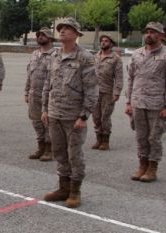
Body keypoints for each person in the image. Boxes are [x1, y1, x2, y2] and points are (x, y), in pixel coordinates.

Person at [41, 18, 98, 208]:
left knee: (74, 154)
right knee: (59, 152)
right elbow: (47, 85)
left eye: (67, 29)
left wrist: (84, 115)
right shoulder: (54, 56)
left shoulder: (85, 57)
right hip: (55, 113)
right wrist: (44, 109)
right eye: (61, 29)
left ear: (76, 34)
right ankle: (63, 187)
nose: (63, 31)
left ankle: (75, 191)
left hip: (74, 117)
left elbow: (91, 89)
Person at [126, 22, 166, 183]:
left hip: (157, 104)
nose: (149, 35)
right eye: (147, 32)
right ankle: (142, 165)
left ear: (162, 35)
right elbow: (131, 78)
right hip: (138, 102)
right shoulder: (137, 54)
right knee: (141, 137)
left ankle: (152, 167)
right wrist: (128, 102)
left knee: (154, 137)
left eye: (153, 32)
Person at [25, 27, 55, 161]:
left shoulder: (56, 55)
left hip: (49, 95)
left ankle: (49, 149)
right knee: (36, 122)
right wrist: (26, 91)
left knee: (48, 123)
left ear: (50, 38)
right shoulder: (34, 54)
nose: (40, 37)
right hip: (34, 94)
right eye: (39, 35)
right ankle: (40, 147)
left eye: (43, 35)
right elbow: (29, 74)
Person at [91, 34, 123, 151]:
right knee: (96, 117)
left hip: (107, 92)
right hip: (94, 92)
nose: (103, 43)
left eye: (106, 41)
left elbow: (119, 77)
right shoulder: (95, 57)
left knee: (105, 117)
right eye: (102, 41)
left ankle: (105, 141)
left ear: (111, 44)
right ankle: (98, 139)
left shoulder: (115, 59)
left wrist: (117, 92)